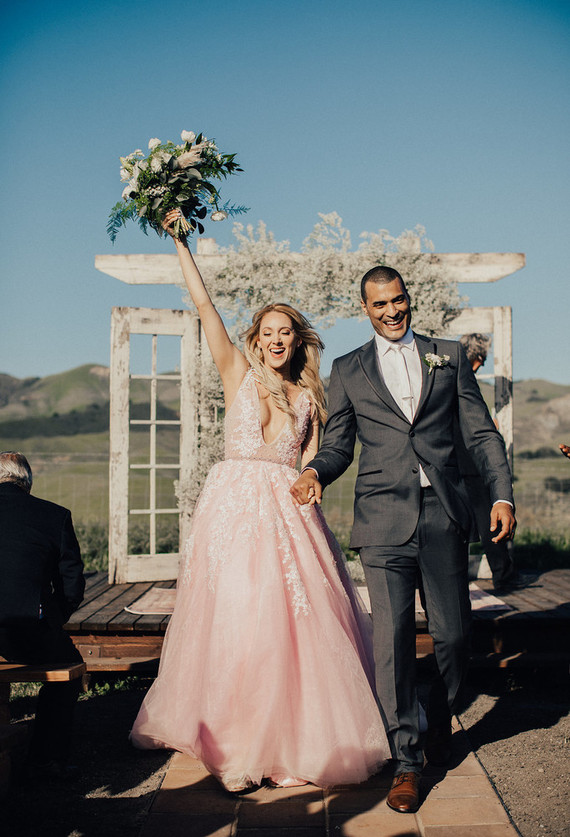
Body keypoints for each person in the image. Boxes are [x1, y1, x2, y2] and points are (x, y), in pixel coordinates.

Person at [130, 210, 390, 792]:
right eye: (267, 332)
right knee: (236, 620)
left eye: (286, 332)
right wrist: (180, 242)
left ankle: (287, 739)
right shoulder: (235, 373)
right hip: (233, 510)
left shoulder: (310, 395)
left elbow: (314, 462)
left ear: (298, 341)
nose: (276, 340)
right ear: (255, 339)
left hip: (289, 516)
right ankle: (234, 746)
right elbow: (204, 307)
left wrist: (313, 480)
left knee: (294, 625)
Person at [291, 266, 516, 814]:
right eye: (379, 305)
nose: (391, 312)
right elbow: (341, 444)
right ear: (364, 309)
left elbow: (481, 432)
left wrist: (502, 495)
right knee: (391, 646)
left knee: (455, 637)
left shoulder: (449, 356)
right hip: (382, 521)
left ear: (408, 300)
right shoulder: (348, 370)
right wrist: (317, 471)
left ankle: (438, 719)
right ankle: (407, 762)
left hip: (444, 516)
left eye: (398, 301)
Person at [0, 451, 85, 778]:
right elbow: (72, 582)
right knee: (68, 670)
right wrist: (55, 618)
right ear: (27, 482)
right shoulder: (54, 515)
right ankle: (45, 759)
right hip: (29, 631)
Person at [457, 333, 514, 592]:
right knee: (489, 520)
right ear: (475, 357)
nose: (481, 364)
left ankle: (459, 577)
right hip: (472, 461)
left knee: (459, 523)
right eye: (481, 359)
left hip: (454, 461)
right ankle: (503, 575)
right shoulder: (465, 379)